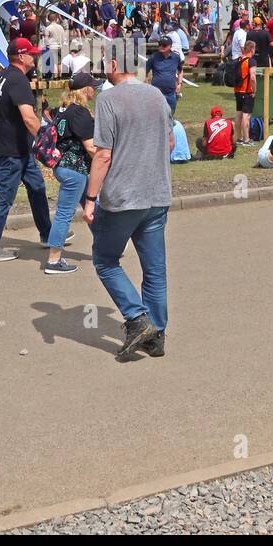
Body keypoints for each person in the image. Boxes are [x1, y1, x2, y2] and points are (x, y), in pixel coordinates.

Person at [83, 56, 174, 361]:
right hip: (157, 193)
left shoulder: (108, 99)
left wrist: (91, 198)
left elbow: (103, 154)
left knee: (105, 259)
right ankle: (156, 335)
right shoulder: (158, 95)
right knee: (154, 269)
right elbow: (171, 142)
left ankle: (137, 319)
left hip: (123, 196)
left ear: (112, 64)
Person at [0, 38, 52, 262]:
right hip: (12, 149)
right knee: (4, 197)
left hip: (18, 146)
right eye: (32, 54)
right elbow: (29, 117)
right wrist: (49, 139)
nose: (35, 57)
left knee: (37, 187)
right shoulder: (18, 80)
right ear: (21, 57)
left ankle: (48, 235)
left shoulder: (4, 75)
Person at [44, 72, 98, 274]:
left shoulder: (63, 110)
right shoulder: (79, 112)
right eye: (93, 86)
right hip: (74, 169)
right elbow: (91, 147)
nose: (96, 89)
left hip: (65, 166)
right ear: (86, 90)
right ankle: (53, 260)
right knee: (64, 214)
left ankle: (108, 244)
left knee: (92, 204)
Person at [143, 36, 182, 114]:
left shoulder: (176, 57)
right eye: (159, 44)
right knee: (156, 115)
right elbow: (144, 72)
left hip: (171, 92)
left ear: (170, 46)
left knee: (170, 115)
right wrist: (147, 85)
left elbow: (180, 71)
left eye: (164, 45)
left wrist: (179, 83)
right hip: (156, 93)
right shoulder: (153, 57)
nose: (161, 47)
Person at [232, 40, 256, 145]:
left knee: (238, 114)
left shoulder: (238, 59)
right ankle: (246, 139)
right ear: (251, 49)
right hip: (247, 91)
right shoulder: (251, 61)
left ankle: (239, 138)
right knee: (246, 115)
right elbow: (253, 77)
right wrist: (254, 90)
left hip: (237, 90)